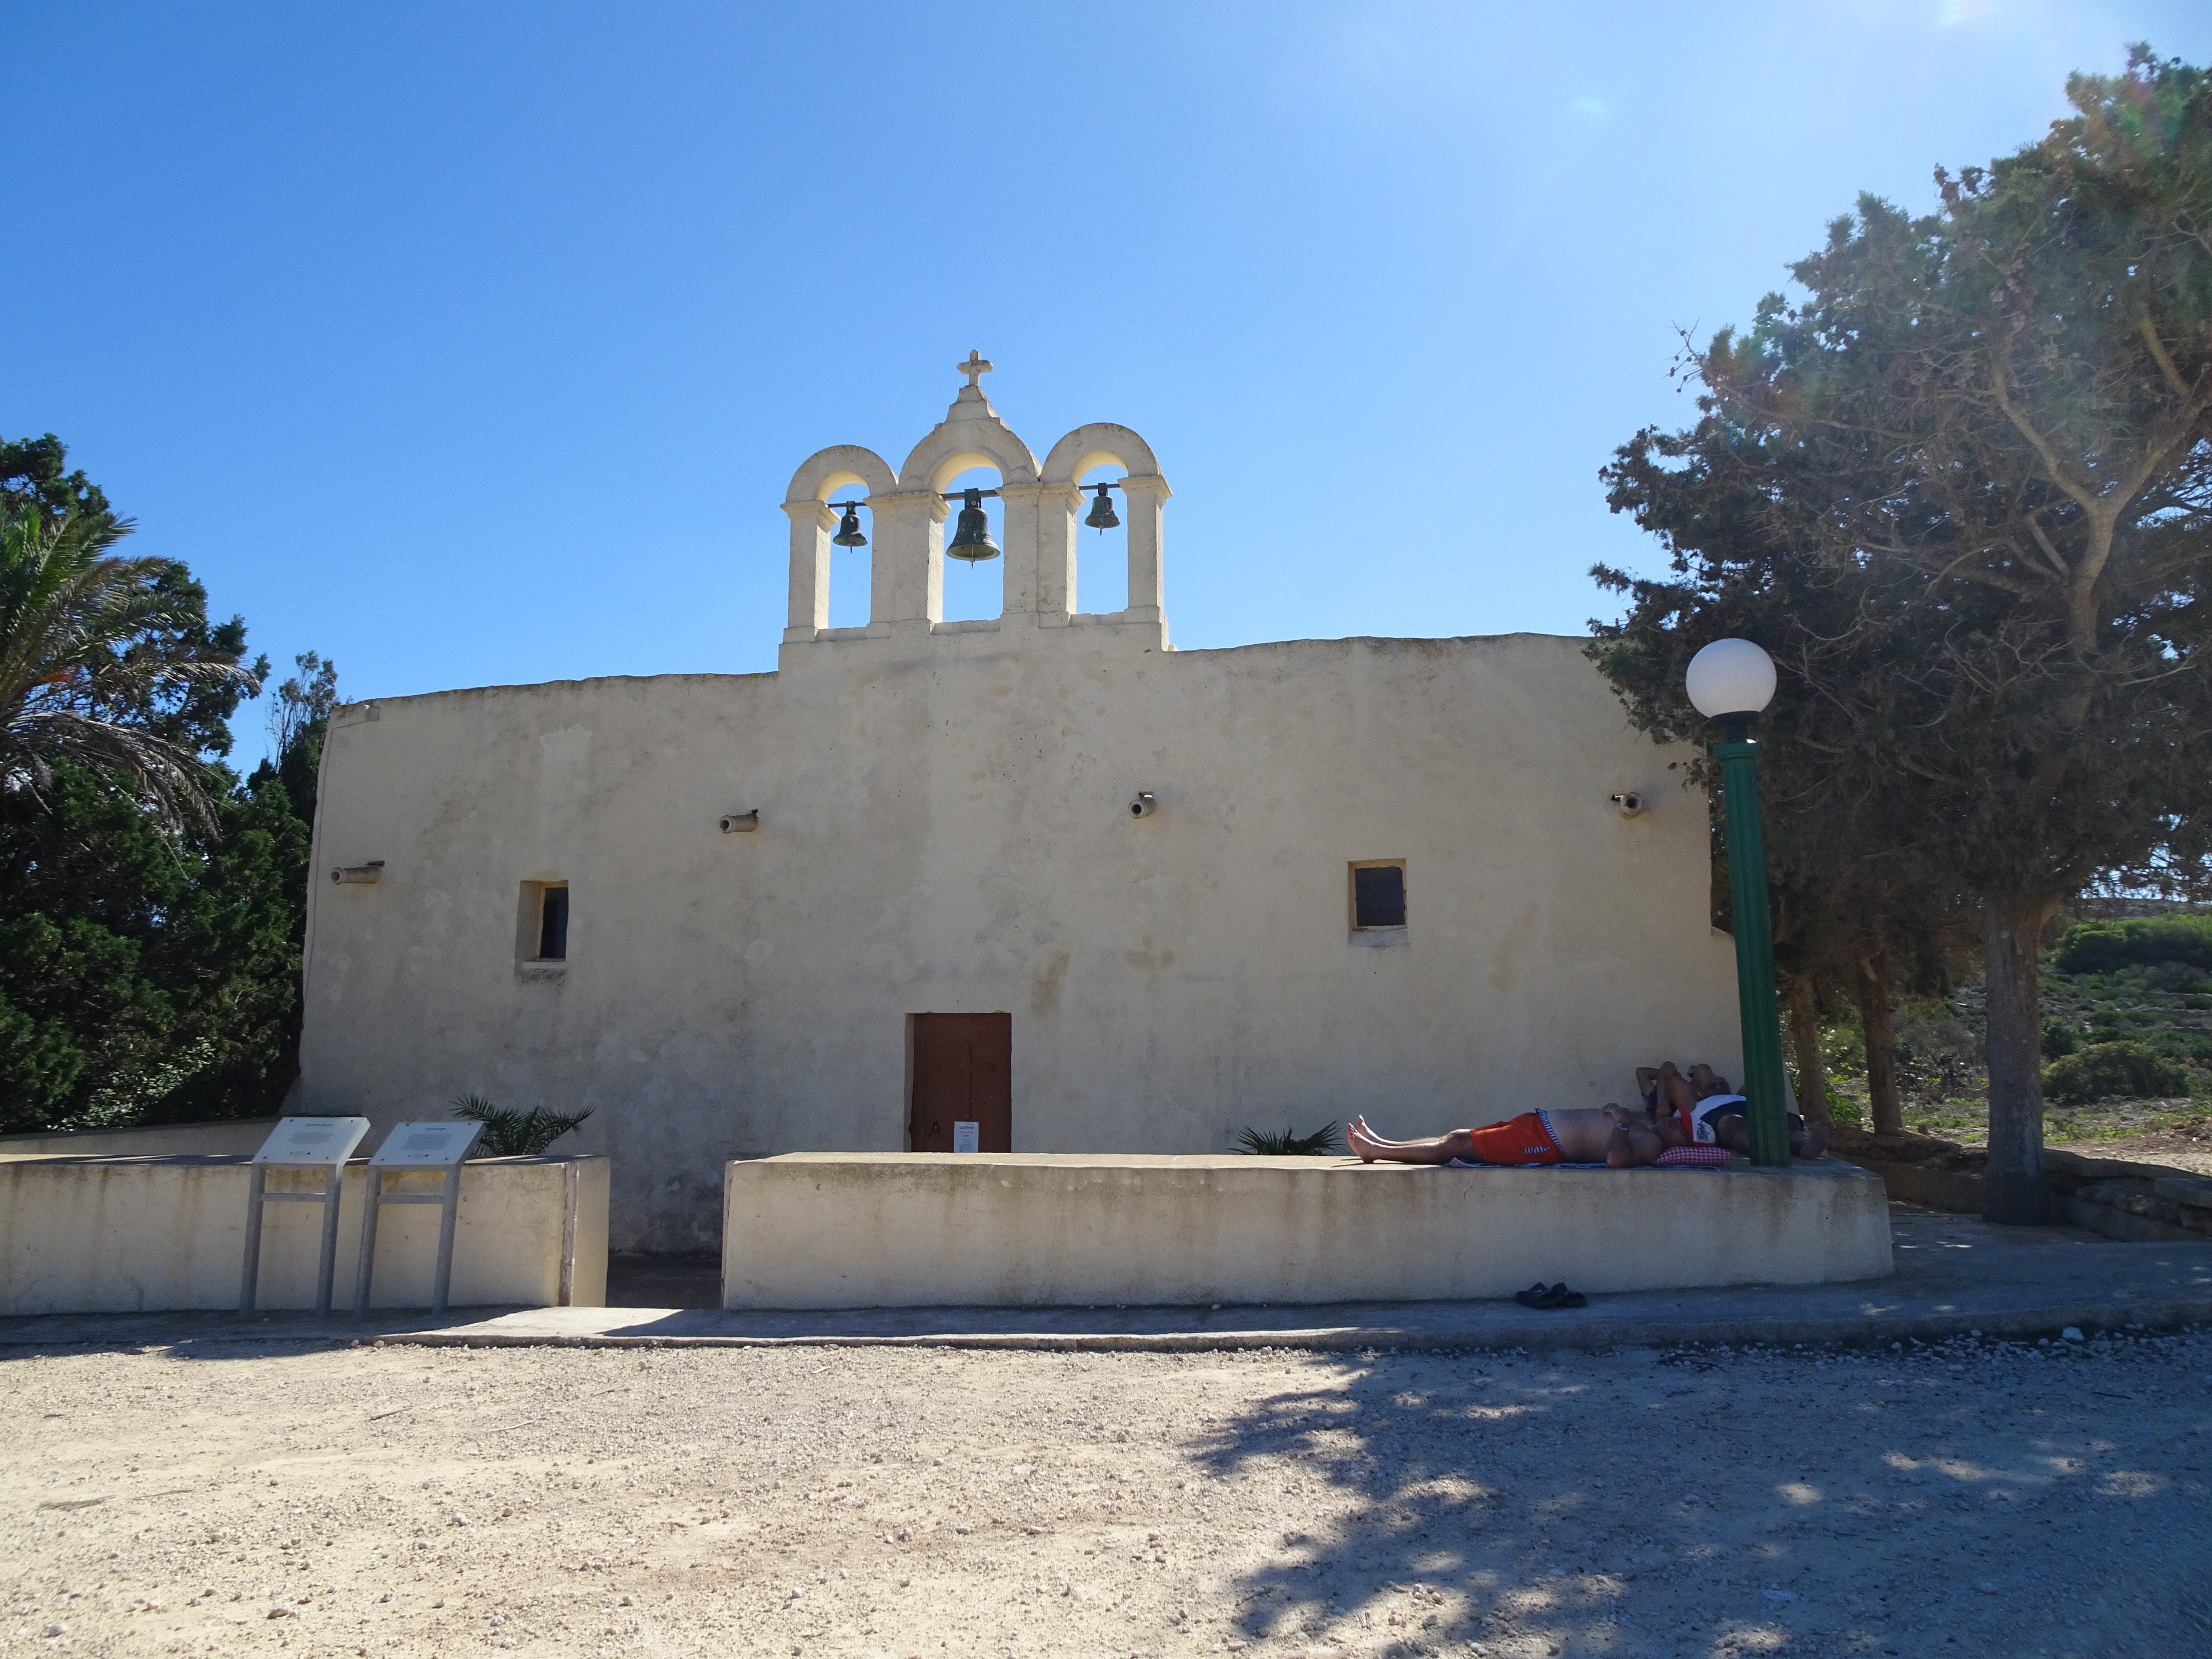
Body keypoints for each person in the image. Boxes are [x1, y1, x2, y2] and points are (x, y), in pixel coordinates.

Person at [1347, 1104, 1664, 1168]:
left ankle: (1376, 1151)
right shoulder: (1649, 1127)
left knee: (1458, 1145)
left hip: (1546, 1143)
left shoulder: (1653, 1142)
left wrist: (1622, 1122)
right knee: (1458, 1137)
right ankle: (1383, 1144)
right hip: (1539, 1126)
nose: (1675, 1122)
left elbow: (1617, 1160)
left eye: (1683, 1126)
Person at [1639, 1060, 1832, 1159]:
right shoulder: (1696, 1105)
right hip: (1721, 1117)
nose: (1718, 1088)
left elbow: (1760, 1078)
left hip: (1754, 1109)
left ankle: (1806, 1144)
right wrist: (1664, 1102)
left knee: (1778, 1122)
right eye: (1712, 1086)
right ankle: (1760, 1149)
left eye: (1723, 1085)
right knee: (1733, 1123)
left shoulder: (1740, 1095)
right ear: (1700, 1093)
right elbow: (1672, 1076)